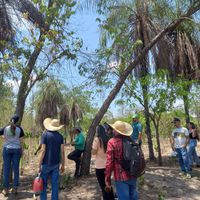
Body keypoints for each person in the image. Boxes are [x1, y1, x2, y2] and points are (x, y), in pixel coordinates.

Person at [105, 121, 138, 200]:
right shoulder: (131, 140)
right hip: (133, 173)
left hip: (120, 176)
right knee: (133, 196)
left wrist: (107, 179)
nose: (112, 130)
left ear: (116, 131)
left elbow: (109, 162)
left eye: (114, 129)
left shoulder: (112, 142)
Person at [38, 118, 65, 200]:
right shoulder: (60, 137)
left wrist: (39, 165)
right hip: (56, 164)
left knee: (43, 184)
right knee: (55, 185)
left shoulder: (45, 135)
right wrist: (63, 165)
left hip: (46, 163)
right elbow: (62, 152)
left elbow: (43, 151)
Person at [0, 114, 24, 196]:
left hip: (6, 149)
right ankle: (14, 189)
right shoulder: (19, 129)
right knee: (16, 169)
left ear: (11, 120)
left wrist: (5, 138)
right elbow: (21, 141)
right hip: (16, 150)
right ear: (18, 121)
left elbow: (1, 134)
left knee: (6, 170)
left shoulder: (5, 128)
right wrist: (22, 151)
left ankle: (6, 189)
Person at [92, 125, 114, 200]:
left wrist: (92, 150)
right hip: (107, 165)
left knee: (103, 186)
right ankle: (112, 198)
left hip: (99, 166)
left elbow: (94, 152)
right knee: (108, 184)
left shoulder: (96, 139)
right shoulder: (108, 139)